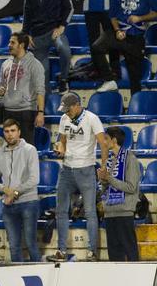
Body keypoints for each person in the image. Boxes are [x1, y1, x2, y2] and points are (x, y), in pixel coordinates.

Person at [49, 92, 110, 262]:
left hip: (86, 169)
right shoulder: (64, 119)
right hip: (66, 169)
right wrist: (60, 149)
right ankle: (61, 250)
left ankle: (92, 252)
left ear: (77, 105)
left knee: (90, 211)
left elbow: (104, 144)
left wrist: (103, 167)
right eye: (65, 110)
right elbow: (63, 141)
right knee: (61, 210)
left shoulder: (92, 118)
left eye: (68, 109)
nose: (66, 112)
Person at [92, 0, 157, 95]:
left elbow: (155, 13)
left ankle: (135, 110)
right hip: (119, 32)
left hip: (136, 38)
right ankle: (110, 79)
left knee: (135, 80)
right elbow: (112, 15)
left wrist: (140, 18)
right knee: (97, 47)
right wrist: (117, 30)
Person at [0, 119, 40, 263]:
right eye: (6, 131)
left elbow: (34, 179)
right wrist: (4, 189)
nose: (10, 134)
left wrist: (15, 193)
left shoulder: (30, 150)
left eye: (13, 131)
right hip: (9, 205)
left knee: (31, 244)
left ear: (19, 132)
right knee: (14, 247)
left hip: (29, 202)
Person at [23, 0, 73, 94]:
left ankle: (63, 80)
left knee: (64, 50)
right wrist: (26, 34)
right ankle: (49, 106)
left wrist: (62, 26)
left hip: (54, 31)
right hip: (37, 35)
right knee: (42, 77)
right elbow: (27, 12)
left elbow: (69, 7)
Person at [99, 126, 142, 262]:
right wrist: (103, 180)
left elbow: (131, 187)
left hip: (124, 213)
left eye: (106, 139)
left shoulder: (131, 159)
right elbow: (107, 187)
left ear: (114, 140)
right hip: (110, 213)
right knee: (114, 256)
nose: (103, 142)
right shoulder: (109, 160)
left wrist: (109, 179)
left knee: (130, 252)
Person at [0, 32, 45, 144]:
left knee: (26, 148)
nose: (9, 45)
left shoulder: (34, 64)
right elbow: (2, 85)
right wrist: (0, 91)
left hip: (26, 112)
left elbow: (40, 90)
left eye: (12, 42)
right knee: (9, 149)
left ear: (22, 45)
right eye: (9, 42)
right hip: (8, 111)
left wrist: (40, 112)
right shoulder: (5, 64)